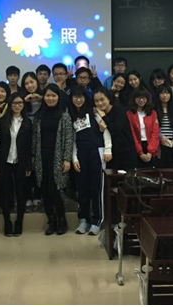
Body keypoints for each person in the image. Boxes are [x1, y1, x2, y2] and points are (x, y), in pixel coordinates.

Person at [69, 86, 112, 236]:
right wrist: (74, 158)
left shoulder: (94, 111)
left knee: (97, 188)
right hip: (81, 153)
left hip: (97, 152)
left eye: (81, 96)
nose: (78, 99)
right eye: (75, 96)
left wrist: (108, 149)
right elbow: (73, 139)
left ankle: (97, 220)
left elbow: (106, 130)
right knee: (82, 188)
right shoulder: (72, 115)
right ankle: (83, 220)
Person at [32, 84, 74, 235]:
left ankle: (61, 220)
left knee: (55, 189)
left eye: (53, 96)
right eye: (48, 95)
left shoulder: (64, 115)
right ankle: (51, 220)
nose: (50, 98)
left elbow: (69, 138)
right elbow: (35, 138)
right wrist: (33, 156)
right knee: (44, 189)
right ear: (43, 97)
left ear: (58, 97)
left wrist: (66, 159)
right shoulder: (39, 116)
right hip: (41, 156)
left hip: (57, 156)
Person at [0, 93, 33, 237]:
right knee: (5, 193)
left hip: (21, 162)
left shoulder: (28, 123)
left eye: (20, 103)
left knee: (21, 193)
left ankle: (19, 222)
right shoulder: (2, 121)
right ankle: (7, 222)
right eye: (14, 103)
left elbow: (29, 146)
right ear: (10, 105)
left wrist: (28, 166)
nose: (17, 106)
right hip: (4, 162)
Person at [93, 88, 138, 170]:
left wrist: (104, 116)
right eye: (96, 101)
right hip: (111, 153)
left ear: (108, 98)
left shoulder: (119, 110)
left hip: (126, 151)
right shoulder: (97, 114)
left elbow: (115, 130)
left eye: (102, 99)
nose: (100, 103)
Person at [20, 72, 43, 211]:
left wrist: (42, 98)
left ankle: (38, 196)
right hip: (26, 139)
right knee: (27, 168)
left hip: (41, 139)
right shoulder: (21, 100)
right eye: (26, 83)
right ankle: (28, 196)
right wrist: (24, 101)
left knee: (38, 168)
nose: (30, 85)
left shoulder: (45, 98)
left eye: (32, 82)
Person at [127, 88, 159, 168]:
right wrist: (140, 152)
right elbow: (131, 133)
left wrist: (150, 152)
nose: (141, 100)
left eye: (144, 98)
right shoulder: (130, 114)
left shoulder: (152, 113)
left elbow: (155, 133)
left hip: (150, 146)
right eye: (138, 97)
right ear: (134, 99)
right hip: (135, 147)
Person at [155, 85, 173, 168]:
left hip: (172, 144)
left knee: (172, 171)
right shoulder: (154, 109)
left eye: (167, 93)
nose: (165, 95)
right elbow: (152, 128)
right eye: (162, 93)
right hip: (160, 144)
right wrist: (161, 137)